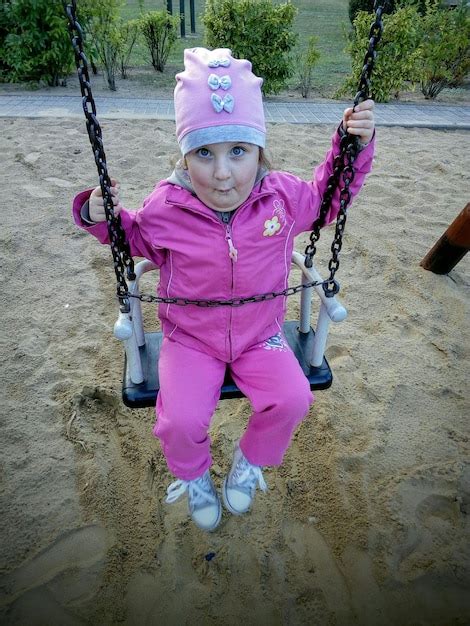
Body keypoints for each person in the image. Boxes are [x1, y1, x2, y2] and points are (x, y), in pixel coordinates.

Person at [73, 47, 375, 532]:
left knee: (294, 398)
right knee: (179, 423)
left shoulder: (281, 198)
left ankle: (249, 460)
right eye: (203, 153)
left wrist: (352, 143)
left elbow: (329, 197)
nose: (221, 172)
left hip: (261, 334)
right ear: (184, 154)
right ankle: (194, 477)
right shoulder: (166, 207)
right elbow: (132, 238)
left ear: (259, 149)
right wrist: (98, 215)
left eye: (238, 151)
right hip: (191, 338)